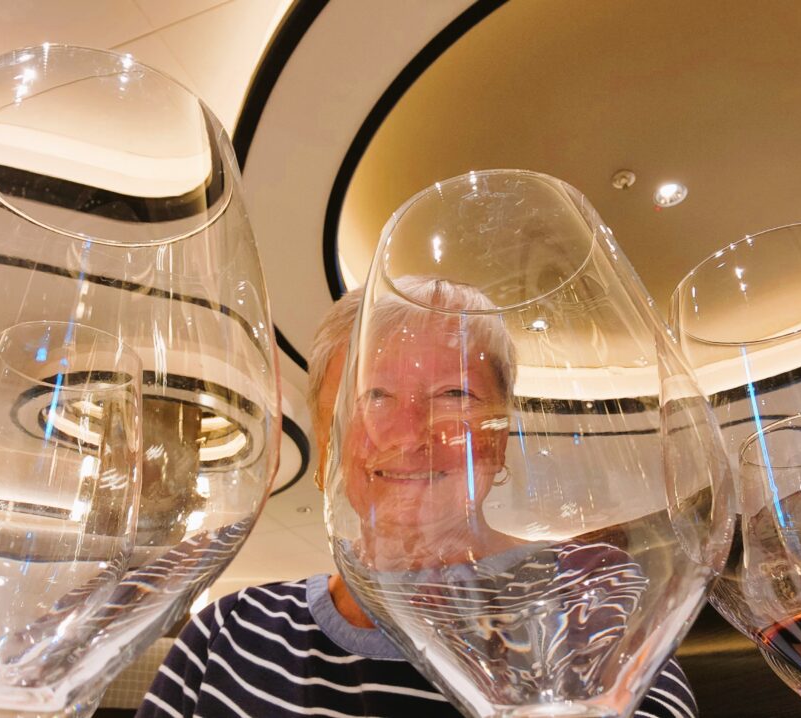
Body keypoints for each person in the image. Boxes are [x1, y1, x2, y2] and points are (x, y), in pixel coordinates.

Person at [138, 281, 698, 718]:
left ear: (498, 439)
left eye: (455, 395)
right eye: (374, 396)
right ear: (328, 440)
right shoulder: (228, 631)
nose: (412, 432)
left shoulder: (593, 606)